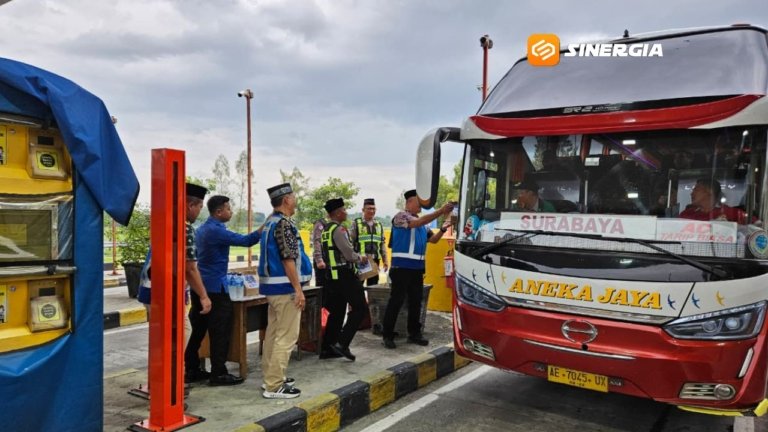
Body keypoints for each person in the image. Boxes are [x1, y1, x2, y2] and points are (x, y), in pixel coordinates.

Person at [184, 195, 262, 386]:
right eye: (228, 209)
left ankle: (192, 368)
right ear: (219, 212)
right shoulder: (216, 230)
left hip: (200, 286)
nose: (231, 211)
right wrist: (265, 226)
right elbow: (247, 240)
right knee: (220, 331)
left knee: (199, 330)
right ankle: (218, 373)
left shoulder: (202, 228)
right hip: (215, 289)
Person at [136, 183, 212, 350]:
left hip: (150, 288)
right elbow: (190, 267)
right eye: (199, 207)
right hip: (168, 292)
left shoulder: (165, 222)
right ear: (190, 205)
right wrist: (203, 296)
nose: (199, 212)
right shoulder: (185, 228)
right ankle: (174, 374)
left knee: (162, 339)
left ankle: (165, 374)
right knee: (180, 335)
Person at [258, 183, 313, 399]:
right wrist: (298, 290)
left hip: (272, 287)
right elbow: (288, 259)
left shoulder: (270, 223)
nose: (296, 199)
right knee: (287, 336)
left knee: (273, 333)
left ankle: (270, 377)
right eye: (293, 196)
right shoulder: (284, 225)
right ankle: (274, 385)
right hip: (285, 288)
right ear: (287, 200)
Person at [382, 190, 453, 349]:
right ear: (408, 203)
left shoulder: (424, 224)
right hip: (401, 268)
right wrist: (441, 211)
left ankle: (414, 333)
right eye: (417, 201)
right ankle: (387, 334)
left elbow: (433, 240)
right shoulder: (401, 216)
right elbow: (416, 223)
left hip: (416, 269)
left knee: (416, 302)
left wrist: (443, 228)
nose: (421, 204)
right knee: (396, 301)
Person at [320, 198, 368, 361]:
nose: (346, 212)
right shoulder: (339, 230)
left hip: (331, 276)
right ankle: (343, 343)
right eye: (344, 210)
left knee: (337, 312)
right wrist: (360, 258)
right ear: (338, 213)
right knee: (360, 308)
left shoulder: (325, 229)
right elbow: (348, 254)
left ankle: (328, 348)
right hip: (344, 275)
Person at [349, 198, 389, 286]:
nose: (372, 211)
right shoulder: (356, 223)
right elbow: (350, 243)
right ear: (363, 210)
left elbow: (382, 244)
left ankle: (370, 300)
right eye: (369, 208)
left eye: (373, 208)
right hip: (361, 261)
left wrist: (385, 260)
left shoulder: (379, 224)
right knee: (357, 287)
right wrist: (354, 258)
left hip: (375, 261)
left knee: (373, 287)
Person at [679, 178, 751, 223]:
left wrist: (733, 227)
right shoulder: (686, 214)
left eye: (696, 190)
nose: (691, 194)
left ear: (710, 191)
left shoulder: (731, 213)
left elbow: (756, 224)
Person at [310, 217, 327, 288]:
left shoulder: (331, 224)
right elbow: (317, 241)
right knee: (322, 287)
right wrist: (319, 259)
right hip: (322, 260)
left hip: (328, 261)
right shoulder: (320, 224)